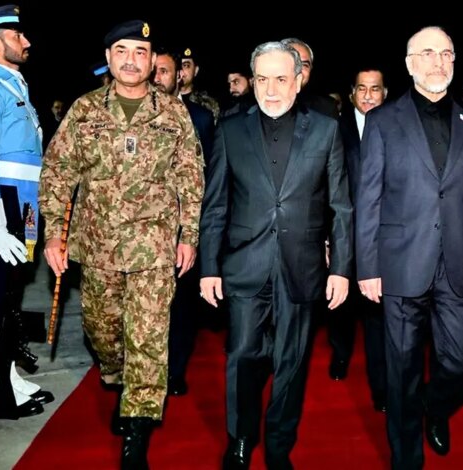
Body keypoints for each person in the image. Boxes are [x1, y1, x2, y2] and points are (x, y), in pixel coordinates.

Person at [39, 20, 204, 468]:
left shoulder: (172, 114)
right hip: (98, 247)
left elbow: (190, 178)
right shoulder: (85, 110)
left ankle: (137, 431)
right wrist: (53, 233)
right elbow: (57, 173)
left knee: (148, 338)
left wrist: (189, 235)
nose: (131, 60)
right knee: (103, 333)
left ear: (152, 61)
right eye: (122, 51)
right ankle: (117, 378)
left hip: (154, 248)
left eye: (141, 52)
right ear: (109, 57)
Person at [199, 41, 352, 470]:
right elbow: (215, 205)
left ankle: (279, 444)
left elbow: (341, 207)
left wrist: (341, 269)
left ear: (298, 81)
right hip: (244, 264)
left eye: (281, 79)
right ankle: (240, 438)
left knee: (291, 363)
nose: (270, 89)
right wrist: (209, 268)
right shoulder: (231, 129)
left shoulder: (325, 130)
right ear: (252, 81)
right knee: (242, 355)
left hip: (302, 267)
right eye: (262, 79)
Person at [355, 26, 463, 469]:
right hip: (401, 262)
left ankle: (433, 406)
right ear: (409, 64)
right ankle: (406, 459)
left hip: (462, 260)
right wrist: (367, 267)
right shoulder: (383, 120)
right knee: (401, 370)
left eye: (446, 54)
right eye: (428, 53)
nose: (438, 62)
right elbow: (369, 198)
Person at [0, 4, 53, 420]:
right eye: (18, 36)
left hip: (27, 200)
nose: (26, 41)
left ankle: (8, 374)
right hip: (5, 199)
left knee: (14, 288)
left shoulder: (18, 87)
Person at [152, 45, 215, 395]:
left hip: (183, 229)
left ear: (179, 76)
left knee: (181, 306)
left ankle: (175, 370)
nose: (157, 77)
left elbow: (210, 177)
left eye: (164, 71)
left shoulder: (200, 118)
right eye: (154, 70)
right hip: (144, 231)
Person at [327, 67, 388, 413]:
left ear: (385, 93)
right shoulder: (335, 128)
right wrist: (327, 239)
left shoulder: (395, 127)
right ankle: (341, 353)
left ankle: (381, 385)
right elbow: (325, 187)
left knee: (379, 313)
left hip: (384, 238)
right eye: (362, 88)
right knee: (342, 304)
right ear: (352, 93)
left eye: (375, 89)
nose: (368, 95)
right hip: (344, 233)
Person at [280, 38, 339, 119]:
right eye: (291, 62)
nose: (298, 69)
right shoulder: (261, 104)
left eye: (304, 65)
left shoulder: (325, 109)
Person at [179, 46, 221, 122]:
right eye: (178, 66)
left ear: (196, 70)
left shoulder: (207, 104)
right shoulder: (163, 100)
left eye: (186, 66)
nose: (181, 70)